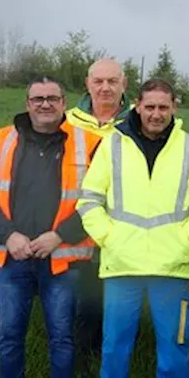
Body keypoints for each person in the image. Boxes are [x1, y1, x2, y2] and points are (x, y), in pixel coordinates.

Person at [76, 78, 189, 378]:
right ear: (137, 106)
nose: (156, 114)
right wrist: (109, 238)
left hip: (171, 267)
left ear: (174, 108)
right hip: (122, 266)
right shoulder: (113, 145)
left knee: (175, 347)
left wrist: (186, 240)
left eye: (164, 107)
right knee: (114, 346)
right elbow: (89, 200)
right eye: (150, 106)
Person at [0, 76, 103, 378]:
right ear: (27, 103)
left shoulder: (87, 143)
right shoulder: (4, 141)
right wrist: (8, 235)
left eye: (52, 98)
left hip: (60, 258)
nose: (45, 104)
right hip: (13, 257)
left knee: (62, 336)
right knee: (9, 334)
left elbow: (96, 201)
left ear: (65, 103)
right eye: (37, 99)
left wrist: (59, 235)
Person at [66, 58, 133, 360]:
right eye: (99, 81)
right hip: (73, 232)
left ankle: (121, 375)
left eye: (112, 81)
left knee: (123, 313)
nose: (105, 88)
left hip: (126, 234)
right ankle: (81, 375)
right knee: (81, 311)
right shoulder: (66, 122)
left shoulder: (140, 121)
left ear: (124, 85)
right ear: (87, 84)